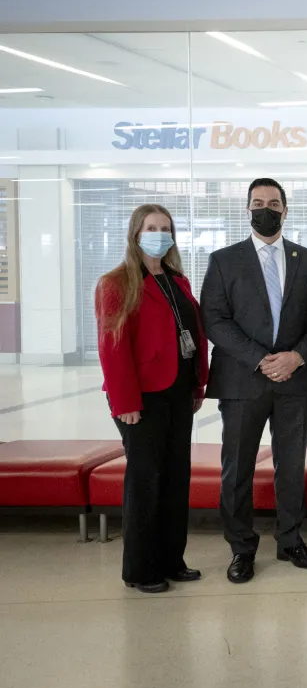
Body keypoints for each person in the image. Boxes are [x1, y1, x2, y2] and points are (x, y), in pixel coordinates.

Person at [201, 178, 307, 584]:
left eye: (273, 203)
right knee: (236, 469)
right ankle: (241, 548)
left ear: (286, 210)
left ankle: (291, 540)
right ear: (247, 209)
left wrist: (296, 356)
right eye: (258, 202)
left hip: (296, 378)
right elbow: (214, 319)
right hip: (242, 381)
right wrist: (260, 358)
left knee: (291, 467)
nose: (265, 209)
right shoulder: (224, 260)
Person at [95, 204, 208, 594]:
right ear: (136, 234)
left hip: (178, 390)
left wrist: (197, 385)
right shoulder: (116, 283)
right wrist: (125, 401)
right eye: (152, 228)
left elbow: (191, 334)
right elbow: (113, 348)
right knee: (146, 481)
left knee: (177, 478)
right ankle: (141, 570)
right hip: (140, 398)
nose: (160, 234)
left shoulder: (177, 280)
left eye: (166, 228)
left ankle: (171, 560)